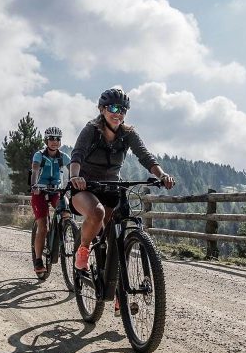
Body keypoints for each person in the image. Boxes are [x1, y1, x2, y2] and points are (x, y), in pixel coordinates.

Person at [69, 87, 175, 272]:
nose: (119, 114)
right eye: (113, 109)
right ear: (102, 109)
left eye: (123, 110)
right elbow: (77, 155)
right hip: (86, 186)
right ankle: (83, 249)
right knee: (97, 213)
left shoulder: (128, 134)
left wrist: (162, 175)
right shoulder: (91, 130)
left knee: (114, 234)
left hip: (111, 187)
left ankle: (118, 287)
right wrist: (75, 177)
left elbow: (145, 156)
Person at [30, 126, 71, 274]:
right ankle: (39, 260)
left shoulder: (63, 157)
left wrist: (75, 182)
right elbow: (35, 170)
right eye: (51, 139)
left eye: (57, 139)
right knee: (43, 226)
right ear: (46, 140)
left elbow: (73, 170)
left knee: (66, 210)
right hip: (39, 190)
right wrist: (34, 185)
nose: (55, 142)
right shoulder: (39, 155)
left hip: (56, 190)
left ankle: (63, 234)